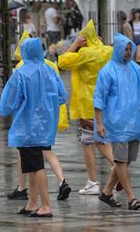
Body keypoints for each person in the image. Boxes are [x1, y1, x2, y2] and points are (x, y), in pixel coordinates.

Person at [0, 38, 67, 217]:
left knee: (36, 166)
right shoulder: (50, 70)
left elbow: (7, 102)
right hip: (46, 124)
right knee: (31, 165)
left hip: (28, 126)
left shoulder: (21, 73)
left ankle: (46, 205)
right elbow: (62, 96)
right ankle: (32, 203)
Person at [6, 31, 71, 201]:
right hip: (49, 117)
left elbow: (12, 97)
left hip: (28, 121)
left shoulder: (21, 68)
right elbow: (61, 95)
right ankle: (61, 180)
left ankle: (27, 192)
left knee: (29, 157)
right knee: (46, 151)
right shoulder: (49, 65)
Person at [94, 33, 140, 209]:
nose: (128, 53)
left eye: (130, 49)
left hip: (133, 121)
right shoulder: (107, 71)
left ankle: (106, 192)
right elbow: (99, 98)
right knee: (120, 161)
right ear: (118, 50)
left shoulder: (136, 69)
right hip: (115, 122)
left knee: (126, 161)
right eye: (125, 49)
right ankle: (131, 198)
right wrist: (99, 123)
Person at [58, 20, 116, 195]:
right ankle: (115, 170)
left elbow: (63, 62)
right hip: (104, 102)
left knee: (89, 142)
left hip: (86, 104)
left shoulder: (86, 53)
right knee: (99, 139)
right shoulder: (107, 51)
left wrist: (75, 44)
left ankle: (98, 179)